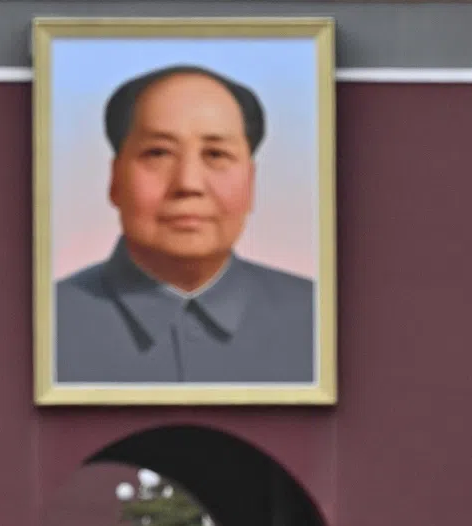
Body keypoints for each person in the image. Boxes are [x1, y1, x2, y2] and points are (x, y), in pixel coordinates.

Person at [55, 64, 315, 384]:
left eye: (216, 154)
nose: (188, 183)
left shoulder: (320, 320)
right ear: (115, 179)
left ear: (251, 181)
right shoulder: (45, 322)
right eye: (158, 153)